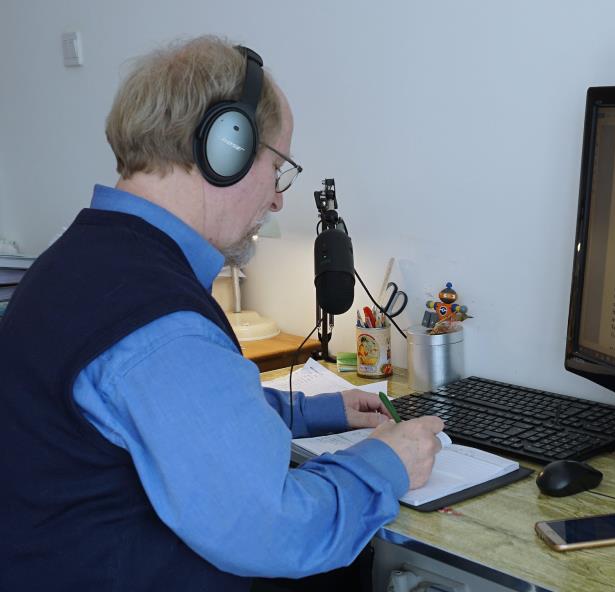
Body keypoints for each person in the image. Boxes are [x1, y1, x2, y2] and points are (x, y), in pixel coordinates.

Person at [0, 36, 443, 591]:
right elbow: (279, 529)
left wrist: (318, 411)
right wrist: (388, 462)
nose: (278, 199)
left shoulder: (75, 262)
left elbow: (170, 418)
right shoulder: (159, 324)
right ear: (225, 148)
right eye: (278, 167)